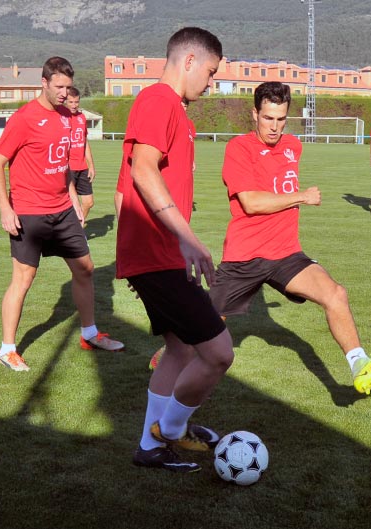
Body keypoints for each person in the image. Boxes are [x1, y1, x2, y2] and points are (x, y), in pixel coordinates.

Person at [209, 81, 371, 395]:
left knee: (335, 294)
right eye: (268, 118)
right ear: (255, 114)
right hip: (244, 256)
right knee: (206, 331)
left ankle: (361, 365)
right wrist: (301, 197)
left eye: (280, 119)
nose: (274, 127)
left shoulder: (293, 145)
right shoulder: (238, 148)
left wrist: (295, 198)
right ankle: (173, 356)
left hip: (286, 253)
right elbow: (251, 202)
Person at [117, 27, 234, 472]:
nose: (210, 83)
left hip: (156, 255)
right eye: (210, 72)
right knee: (219, 353)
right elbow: (142, 170)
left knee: (181, 350)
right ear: (188, 61)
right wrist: (185, 238)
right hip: (159, 256)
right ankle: (169, 431)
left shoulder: (177, 112)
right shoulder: (157, 101)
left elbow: (124, 187)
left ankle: (152, 445)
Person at [0, 56, 123, 372]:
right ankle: (7, 349)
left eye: (68, 87)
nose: (64, 93)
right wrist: (5, 208)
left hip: (62, 209)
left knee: (85, 268)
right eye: (59, 87)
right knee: (23, 279)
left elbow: (63, 165)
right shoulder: (24, 118)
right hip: (29, 212)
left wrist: (73, 197)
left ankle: (89, 334)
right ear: (45, 83)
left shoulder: (67, 117)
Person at [65, 86, 96, 222]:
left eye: (76, 102)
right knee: (69, 204)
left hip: (82, 167)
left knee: (89, 202)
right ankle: (73, 234)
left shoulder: (81, 117)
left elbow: (84, 142)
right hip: (68, 168)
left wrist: (91, 165)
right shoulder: (61, 118)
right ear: (65, 101)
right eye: (70, 102)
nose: (74, 105)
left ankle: (76, 228)